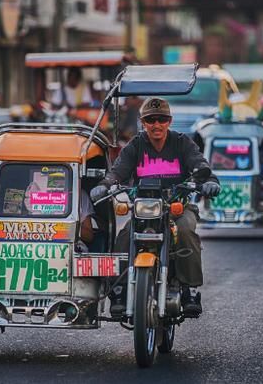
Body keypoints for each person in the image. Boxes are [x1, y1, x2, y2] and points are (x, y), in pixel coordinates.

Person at [90, 97, 220, 317]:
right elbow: (117, 172)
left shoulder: (182, 142)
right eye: (151, 120)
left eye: (161, 119)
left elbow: (201, 166)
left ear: (169, 121)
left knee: (187, 230)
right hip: (144, 209)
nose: (156, 124)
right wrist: (104, 185)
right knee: (123, 238)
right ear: (143, 122)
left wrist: (210, 182)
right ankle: (119, 291)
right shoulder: (135, 145)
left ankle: (189, 289)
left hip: (178, 207)